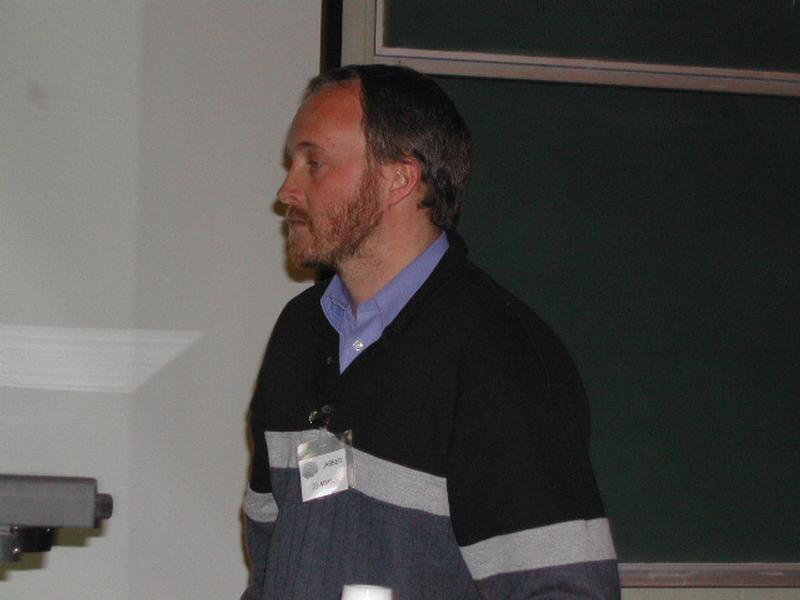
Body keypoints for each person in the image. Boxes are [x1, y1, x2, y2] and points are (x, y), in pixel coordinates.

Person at [241, 64, 620, 599]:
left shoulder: (501, 355)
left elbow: (564, 589)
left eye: (314, 163)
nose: (287, 190)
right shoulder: (299, 334)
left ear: (400, 177)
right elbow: (269, 554)